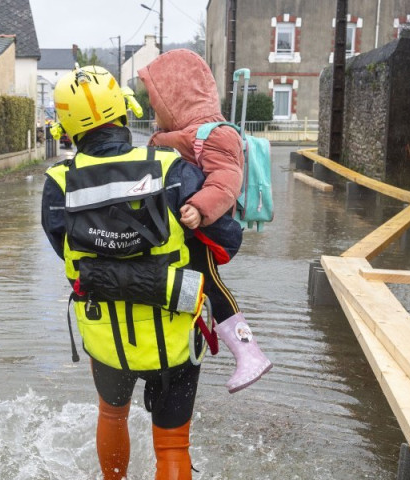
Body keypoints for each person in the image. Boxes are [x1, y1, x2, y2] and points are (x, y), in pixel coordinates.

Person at [41, 65, 243, 480]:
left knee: (112, 416)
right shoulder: (171, 168)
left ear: (68, 127)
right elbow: (227, 241)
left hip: (105, 331)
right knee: (172, 443)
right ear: (122, 110)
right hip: (174, 325)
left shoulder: (58, 182)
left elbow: (67, 254)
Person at [138, 48, 273, 393]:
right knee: (190, 290)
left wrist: (199, 208)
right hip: (178, 233)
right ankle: (185, 347)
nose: (154, 113)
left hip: (203, 231)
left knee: (209, 286)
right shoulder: (176, 136)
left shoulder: (215, 134)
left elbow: (227, 180)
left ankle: (249, 353)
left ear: (175, 99)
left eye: (157, 105)